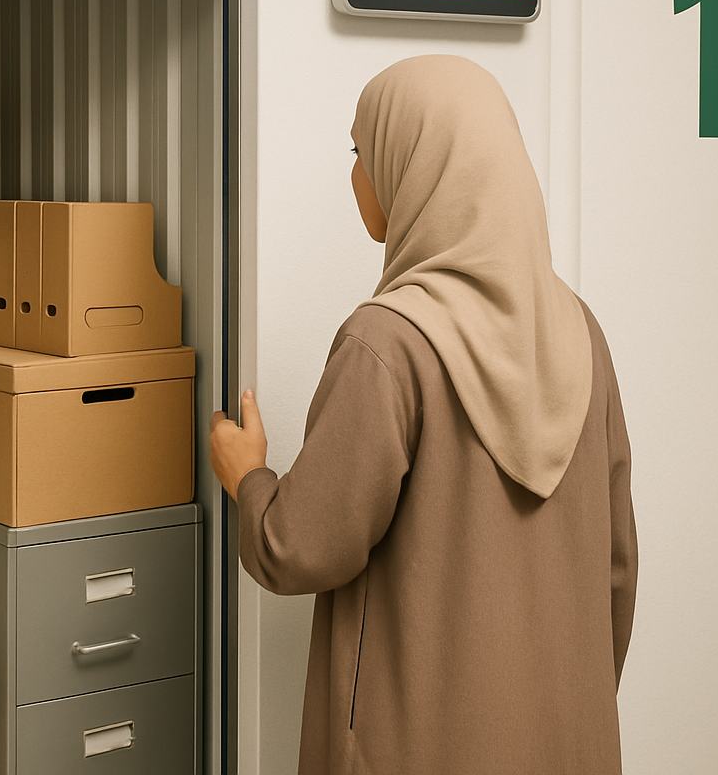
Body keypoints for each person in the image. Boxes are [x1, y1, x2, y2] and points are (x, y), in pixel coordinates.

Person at [210, 55, 638, 775]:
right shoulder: (579, 330)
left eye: (361, 153)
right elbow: (617, 570)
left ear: (417, 165)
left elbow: (299, 548)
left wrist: (247, 476)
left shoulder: (388, 344)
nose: (356, 175)